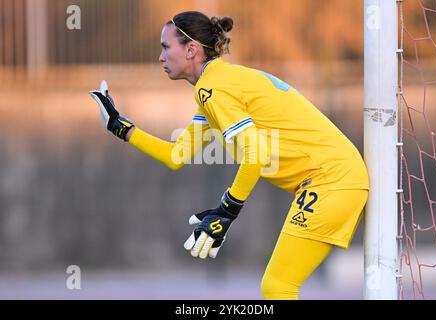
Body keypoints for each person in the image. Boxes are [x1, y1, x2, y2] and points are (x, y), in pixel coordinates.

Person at [89, 11, 369, 300]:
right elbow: (178, 155)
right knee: (277, 287)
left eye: (165, 47)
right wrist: (121, 127)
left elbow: (255, 154)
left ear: (191, 50)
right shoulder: (214, 86)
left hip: (331, 180)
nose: (160, 57)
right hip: (334, 178)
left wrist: (227, 209)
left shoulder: (215, 88)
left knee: (277, 287)